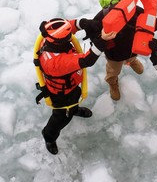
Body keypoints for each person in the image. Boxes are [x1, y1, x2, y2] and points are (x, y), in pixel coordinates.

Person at [37, 18, 114, 155]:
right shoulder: (55, 62)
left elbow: (67, 27)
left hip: (71, 86)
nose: (71, 36)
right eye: (68, 36)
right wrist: (102, 40)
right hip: (61, 94)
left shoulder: (51, 37)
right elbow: (86, 60)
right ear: (62, 40)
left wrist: (83, 23)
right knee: (61, 117)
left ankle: (75, 108)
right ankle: (49, 136)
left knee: (76, 95)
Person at [81, 0, 157, 101]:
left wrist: (149, 22)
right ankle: (112, 83)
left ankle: (131, 61)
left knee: (131, 57)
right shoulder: (102, 16)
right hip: (115, 55)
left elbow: (155, 24)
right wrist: (101, 37)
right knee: (113, 71)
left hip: (132, 49)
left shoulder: (134, 9)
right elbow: (92, 34)